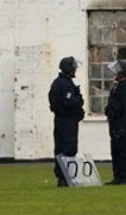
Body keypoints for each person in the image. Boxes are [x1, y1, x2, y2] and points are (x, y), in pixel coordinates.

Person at [48, 56, 85, 187]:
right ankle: (66, 176)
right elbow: (69, 102)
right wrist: (79, 99)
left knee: (60, 148)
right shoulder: (65, 84)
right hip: (67, 121)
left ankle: (62, 176)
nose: (75, 70)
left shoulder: (58, 83)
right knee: (68, 147)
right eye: (73, 68)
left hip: (61, 120)